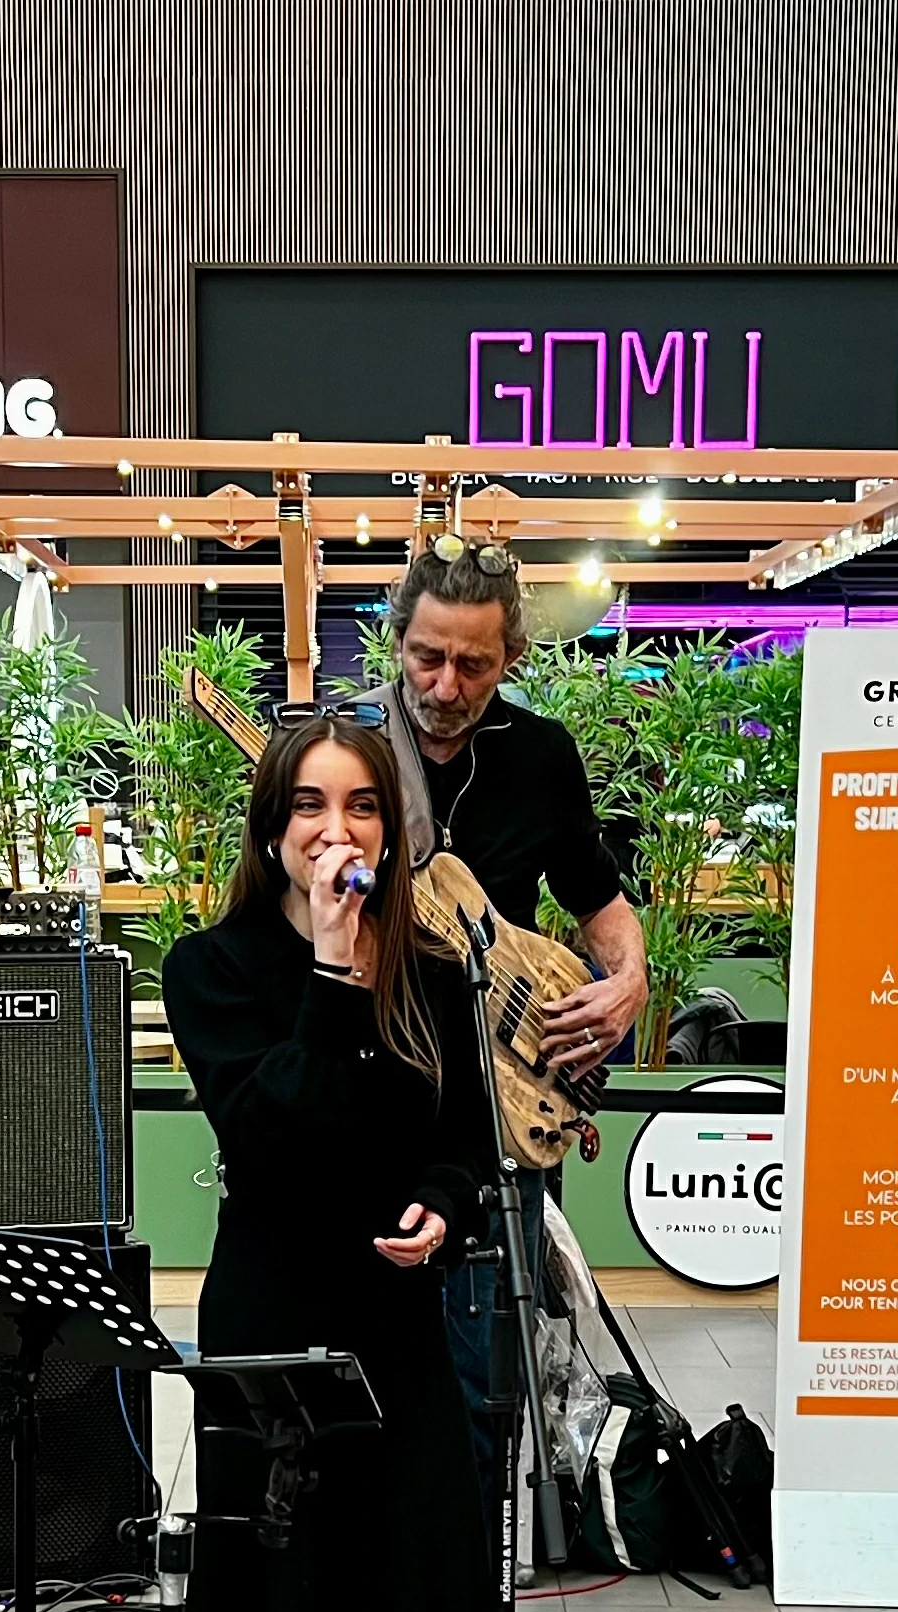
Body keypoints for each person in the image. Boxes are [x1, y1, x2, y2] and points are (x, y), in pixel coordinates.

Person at [161, 715, 505, 1612]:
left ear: (391, 830)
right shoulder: (216, 968)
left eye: (361, 806)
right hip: (276, 1345)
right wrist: (323, 965)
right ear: (271, 828)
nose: (337, 828)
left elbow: (464, 1147)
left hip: (402, 1331)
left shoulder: (437, 970)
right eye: (309, 804)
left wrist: (441, 1201)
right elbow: (272, 1131)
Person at [368, 537, 644, 1518]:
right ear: (397, 640)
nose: (445, 685)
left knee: (488, 1379)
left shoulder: (539, 756)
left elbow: (599, 902)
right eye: (428, 657)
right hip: (379, 1113)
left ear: (511, 658)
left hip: (505, 1111)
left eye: (474, 664)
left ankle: (478, 1610)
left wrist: (629, 980)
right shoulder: (347, 761)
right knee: (376, 1373)